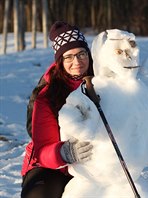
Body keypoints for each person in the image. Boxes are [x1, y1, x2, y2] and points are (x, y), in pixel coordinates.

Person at [21, 21, 94, 198]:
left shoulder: (106, 82)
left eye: (81, 53)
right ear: (60, 61)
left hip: (95, 165)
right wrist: (65, 152)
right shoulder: (47, 96)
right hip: (51, 168)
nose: (77, 61)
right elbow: (43, 151)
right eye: (68, 57)